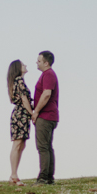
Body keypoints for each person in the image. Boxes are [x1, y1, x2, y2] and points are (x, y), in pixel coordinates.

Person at [31, 50, 59, 185]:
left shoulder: (48, 74)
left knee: (43, 147)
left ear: (46, 63)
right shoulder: (47, 75)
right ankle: (48, 177)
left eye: (39, 60)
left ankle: (43, 178)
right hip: (50, 115)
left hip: (46, 116)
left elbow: (47, 94)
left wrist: (35, 111)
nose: (37, 62)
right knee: (47, 147)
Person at [6, 59, 33, 185]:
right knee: (17, 145)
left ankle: (14, 174)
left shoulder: (17, 81)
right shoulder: (19, 80)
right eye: (23, 64)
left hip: (21, 114)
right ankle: (14, 175)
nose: (25, 65)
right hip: (21, 114)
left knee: (21, 145)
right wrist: (32, 114)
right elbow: (24, 99)